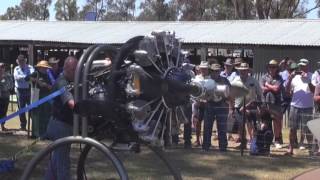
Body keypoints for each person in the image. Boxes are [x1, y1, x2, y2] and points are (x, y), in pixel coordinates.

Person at [45, 56, 78, 180]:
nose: (77, 73)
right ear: (69, 69)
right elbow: (71, 103)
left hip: (61, 125)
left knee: (56, 160)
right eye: (75, 70)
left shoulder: (68, 81)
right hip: (60, 126)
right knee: (63, 164)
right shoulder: (62, 82)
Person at [285, 59, 314, 155]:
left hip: (308, 106)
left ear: (307, 66)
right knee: (292, 129)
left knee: (308, 129)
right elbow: (287, 92)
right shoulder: (295, 77)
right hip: (295, 106)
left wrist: (308, 80)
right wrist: (289, 78)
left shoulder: (312, 76)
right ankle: (290, 148)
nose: (302, 68)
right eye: (300, 66)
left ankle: (311, 149)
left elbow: (314, 91)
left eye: (304, 66)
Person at [232, 63, 262, 149]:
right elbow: (231, 94)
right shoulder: (235, 81)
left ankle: (254, 144)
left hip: (251, 107)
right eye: (241, 70)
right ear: (239, 71)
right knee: (241, 126)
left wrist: (259, 106)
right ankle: (243, 143)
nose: (243, 72)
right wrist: (232, 107)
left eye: (245, 70)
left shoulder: (253, 80)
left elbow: (259, 94)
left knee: (252, 126)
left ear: (248, 71)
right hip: (238, 107)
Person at [202, 63, 231, 152]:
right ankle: (206, 146)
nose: (215, 73)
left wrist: (225, 97)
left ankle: (223, 147)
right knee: (207, 127)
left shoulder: (225, 80)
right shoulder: (206, 81)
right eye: (213, 71)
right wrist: (205, 98)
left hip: (222, 105)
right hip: (209, 105)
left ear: (219, 71)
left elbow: (230, 93)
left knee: (222, 127)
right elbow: (202, 94)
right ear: (210, 71)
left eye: (217, 71)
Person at [260, 60, 284, 149]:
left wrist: (267, 85)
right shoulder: (263, 77)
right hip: (265, 103)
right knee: (265, 122)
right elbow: (262, 89)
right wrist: (271, 87)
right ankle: (266, 140)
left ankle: (277, 140)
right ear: (268, 67)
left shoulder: (279, 78)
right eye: (270, 67)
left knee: (277, 122)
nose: (272, 69)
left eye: (274, 67)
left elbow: (277, 89)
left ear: (277, 68)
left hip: (276, 103)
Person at [30, 60, 52, 138]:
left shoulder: (48, 75)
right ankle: (36, 134)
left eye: (46, 68)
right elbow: (27, 78)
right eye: (44, 68)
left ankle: (43, 133)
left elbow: (51, 86)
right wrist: (38, 81)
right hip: (36, 96)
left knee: (45, 115)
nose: (45, 69)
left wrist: (46, 85)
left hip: (45, 97)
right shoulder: (36, 73)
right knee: (36, 115)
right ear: (40, 67)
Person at [13, 54, 35, 130]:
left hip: (29, 90)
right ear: (18, 62)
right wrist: (26, 77)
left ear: (25, 61)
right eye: (20, 61)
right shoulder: (16, 69)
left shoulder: (30, 67)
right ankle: (23, 126)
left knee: (31, 108)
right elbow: (16, 77)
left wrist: (24, 77)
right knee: (21, 109)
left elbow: (33, 75)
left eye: (22, 61)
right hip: (20, 91)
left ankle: (34, 126)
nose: (21, 63)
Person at [192, 61, 210, 146]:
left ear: (207, 69)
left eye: (205, 68)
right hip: (198, 103)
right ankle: (198, 140)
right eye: (202, 68)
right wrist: (197, 100)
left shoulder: (211, 78)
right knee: (197, 122)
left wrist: (208, 100)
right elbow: (193, 90)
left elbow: (212, 91)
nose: (203, 70)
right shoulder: (196, 78)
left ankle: (206, 141)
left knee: (207, 123)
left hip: (208, 103)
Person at [0, 63, 14, 131]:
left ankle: (2, 126)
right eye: (0, 67)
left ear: (4, 68)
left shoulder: (8, 76)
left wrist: (5, 85)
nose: (1, 68)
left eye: (2, 67)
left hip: (5, 96)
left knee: (4, 112)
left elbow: (11, 86)